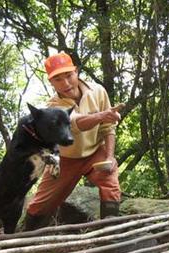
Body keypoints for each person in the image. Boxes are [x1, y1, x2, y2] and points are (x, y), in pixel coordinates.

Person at [23, 51, 123, 230]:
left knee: (110, 183)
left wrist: (109, 157)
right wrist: (103, 115)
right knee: (41, 203)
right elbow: (75, 123)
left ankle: (109, 236)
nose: (66, 83)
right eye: (58, 79)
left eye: (69, 75)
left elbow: (108, 128)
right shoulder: (53, 106)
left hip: (94, 152)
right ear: (51, 82)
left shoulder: (98, 91)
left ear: (76, 72)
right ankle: (26, 236)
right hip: (65, 158)